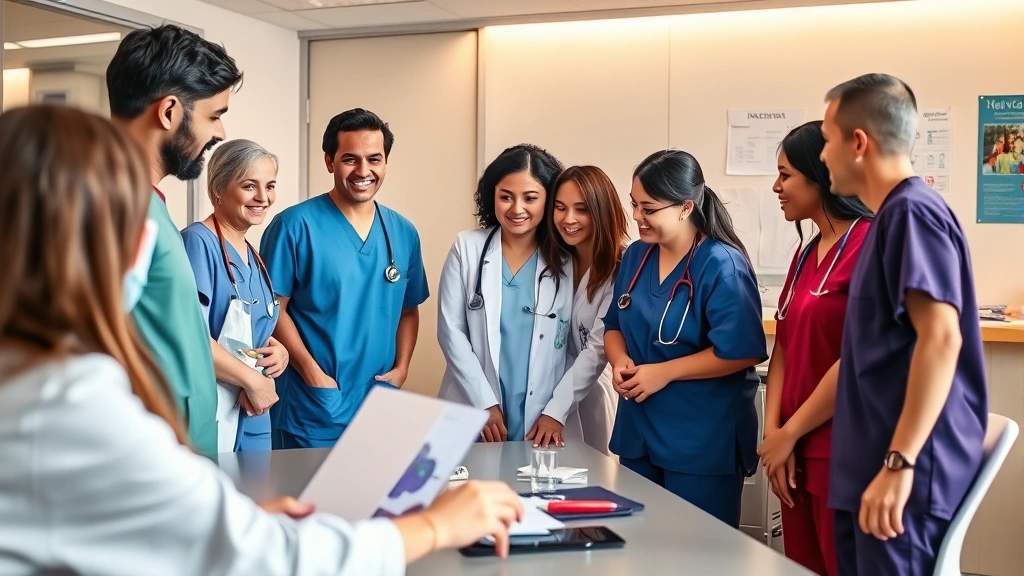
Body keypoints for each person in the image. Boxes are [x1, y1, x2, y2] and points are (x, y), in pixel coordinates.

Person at [0, 104, 526, 575]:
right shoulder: (69, 406)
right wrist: (436, 526)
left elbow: (152, 531)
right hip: (295, 405)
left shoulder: (45, 382)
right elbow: (263, 558)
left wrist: (235, 519)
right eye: (135, 222)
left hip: (337, 398)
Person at [820, 73, 987, 575]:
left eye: (827, 141)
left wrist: (900, 462)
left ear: (857, 142)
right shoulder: (888, 217)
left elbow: (941, 337)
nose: (823, 155)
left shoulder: (913, 214)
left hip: (903, 476)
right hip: (872, 465)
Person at [602, 150, 767, 528]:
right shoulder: (636, 258)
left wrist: (664, 373)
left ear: (685, 207)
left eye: (649, 208)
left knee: (696, 553)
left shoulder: (721, 264)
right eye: (634, 205)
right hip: (640, 431)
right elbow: (612, 324)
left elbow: (741, 351)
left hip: (702, 438)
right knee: (640, 546)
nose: (637, 217)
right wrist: (619, 360)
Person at [106, 25, 243, 458]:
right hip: (150, 459)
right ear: (169, 111)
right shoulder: (114, 209)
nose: (220, 132)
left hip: (178, 455)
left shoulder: (148, 203)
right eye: (214, 114)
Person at [261, 109, 429, 449]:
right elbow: (272, 309)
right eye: (350, 159)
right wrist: (311, 373)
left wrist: (402, 368)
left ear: (386, 163)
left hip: (378, 401)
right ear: (329, 161)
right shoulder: (294, 226)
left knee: (366, 499)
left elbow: (409, 309)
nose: (364, 171)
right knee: (305, 500)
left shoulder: (403, 232)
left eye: (374, 159)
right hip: (313, 404)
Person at [757, 121, 873, 576]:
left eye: (785, 174)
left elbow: (859, 357)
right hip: (792, 445)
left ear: (818, 174)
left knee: (842, 564)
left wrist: (790, 433)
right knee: (802, 564)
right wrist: (774, 434)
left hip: (842, 443)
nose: (776, 186)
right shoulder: (805, 252)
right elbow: (783, 345)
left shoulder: (870, 244)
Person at [437, 144, 576, 444]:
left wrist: (557, 409)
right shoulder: (467, 248)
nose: (516, 209)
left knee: (537, 489)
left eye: (530, 198)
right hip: (474, 404)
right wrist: (484, 402)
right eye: (505, 197)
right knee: (474, 487)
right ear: (492, 196)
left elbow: (578, 347)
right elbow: (451, 333)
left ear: (549, 200)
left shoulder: (568, 259)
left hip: (544, 411)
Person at [182, 140, 289, 452]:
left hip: (253, 409)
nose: (263, 197)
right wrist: (254, 381)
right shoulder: (198, 244)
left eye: (270, 186)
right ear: (218, 188)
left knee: (258, 497)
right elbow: (193, 337)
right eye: (249, 186)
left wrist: (277, 351)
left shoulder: (252, 256)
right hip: (215, 406)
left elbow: (249, 335)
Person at [537, 166, 630, 454]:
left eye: (581, 209)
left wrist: (556, 411)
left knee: (596, 481)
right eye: (560, 208)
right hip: (547, 390)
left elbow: (597, 349)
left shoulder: (623, 266)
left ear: (602, 212)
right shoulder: (554, 261)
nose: (569, 219)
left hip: (593, 392)